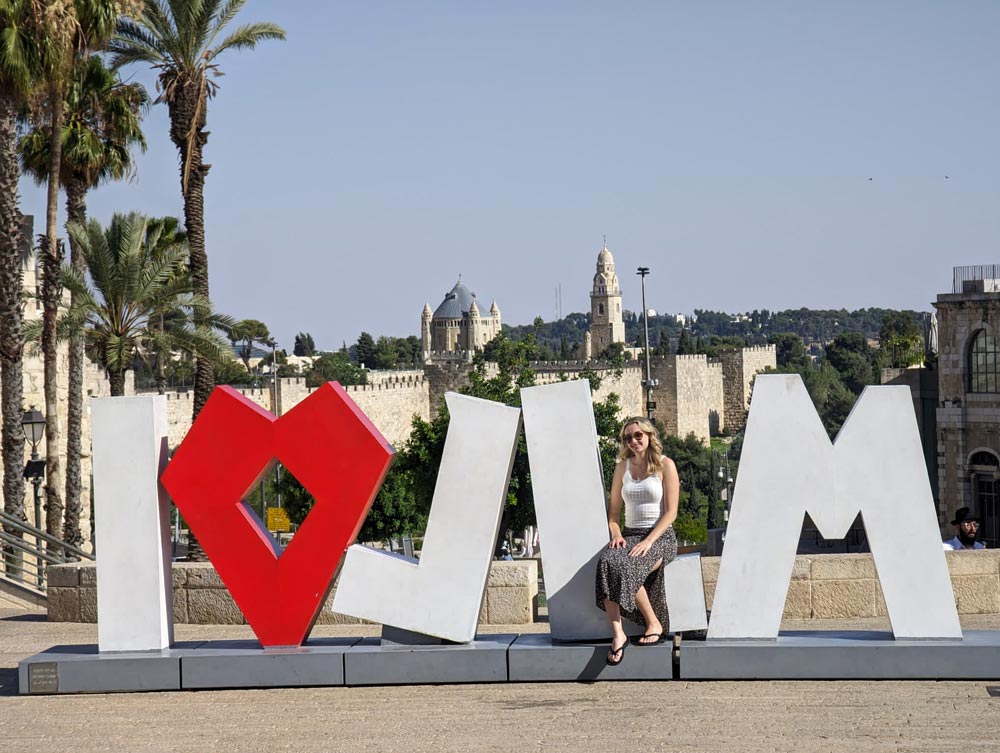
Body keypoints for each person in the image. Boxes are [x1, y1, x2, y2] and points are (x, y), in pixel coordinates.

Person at [595, 417, 679, 666]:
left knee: (627, 567)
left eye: (638, 435)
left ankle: (654, 623)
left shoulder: (666, 465)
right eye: (628, 437)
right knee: (607, 562)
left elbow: (671, 512)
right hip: (630, 534)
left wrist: (650, 541)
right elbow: (613, 514)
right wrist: (617, 534)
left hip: (660, 536)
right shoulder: (622, 468)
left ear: (649, 435)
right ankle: (618, 635)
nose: (633, 441)